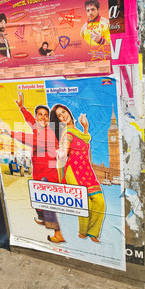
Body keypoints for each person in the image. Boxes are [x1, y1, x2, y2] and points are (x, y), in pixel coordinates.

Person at [0, 92, 65, 243]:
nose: (43, 117)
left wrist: (11, 133)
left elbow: (33, 140)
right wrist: (22, 107)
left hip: (49, 173)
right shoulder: (37, 127)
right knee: (37, 198)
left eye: (46, 115)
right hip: (38, 171)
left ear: (49, 118)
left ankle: (58, 233)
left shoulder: (49, 133)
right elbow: (29, 119)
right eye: (40, 115)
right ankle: (42, 218)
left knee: (48, 203)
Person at [50, 104, 106, 243]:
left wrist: (85, 126)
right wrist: (61, 152)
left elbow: (86, 139)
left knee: (99, 202)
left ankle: (92, 232)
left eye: (64, 112)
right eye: (59, 116)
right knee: (85, 201)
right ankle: (83, 232)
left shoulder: (77, 131)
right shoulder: (67, 132)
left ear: (68, 111)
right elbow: (64, 150)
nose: (63, 116)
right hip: (73, 171)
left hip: (86, 170)